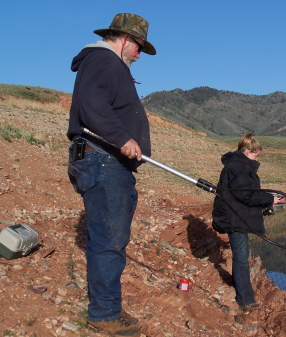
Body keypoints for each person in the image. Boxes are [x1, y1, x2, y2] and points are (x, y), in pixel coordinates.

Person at [67, 13, 156, 336]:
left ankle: (108, 305)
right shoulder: (104, 61)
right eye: (139, 48)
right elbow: (92, 104)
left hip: (105, 162)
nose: (139, 55)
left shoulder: (107, 64)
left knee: (108, 239)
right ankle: (103, 313)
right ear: (126, 39)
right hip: (103, 161)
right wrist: (123, 138)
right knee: (109, 240)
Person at [212, 133, 283, 311]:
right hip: (235, 218)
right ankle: (245, 299)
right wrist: (269, 199)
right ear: (248, 151)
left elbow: (245, 193)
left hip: (237, 216)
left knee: (241, 256)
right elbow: (247, 194)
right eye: (256, 155)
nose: (257, 159)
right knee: (242, 258)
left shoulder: (237, 165)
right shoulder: (240, 167)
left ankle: (244, 293)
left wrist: (267, 199)